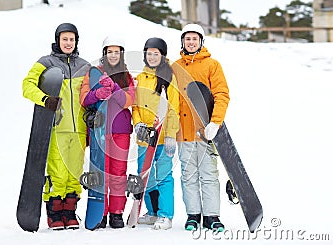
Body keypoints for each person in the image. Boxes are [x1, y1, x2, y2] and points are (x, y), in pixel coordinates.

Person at [22, 23, 90, 230]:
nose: (68, 43)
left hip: (78, 128)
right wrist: (45, 99)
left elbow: (91, 94)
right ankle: (54, 213)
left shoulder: (85, 66)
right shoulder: (45, 63)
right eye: (65, 39)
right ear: (58, 40)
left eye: (72, 39)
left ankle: (69, 212)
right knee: (58, 172)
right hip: (56, 127)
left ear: (76, 41)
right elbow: (27, 85)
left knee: (74, 173)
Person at [171, 23, 230, 232]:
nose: (191, 42)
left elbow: (222, 95)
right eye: (187, 39)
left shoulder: (212, 65)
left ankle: (212, 216)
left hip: (206, 132)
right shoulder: (175, 67)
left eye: (195, 39)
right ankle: (193, 215)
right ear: (183, 42)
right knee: (188, 175)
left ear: (201, 42)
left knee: (208, 174)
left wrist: (215, 122)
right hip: (183, 132)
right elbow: (170, 99)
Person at [80, 35, 135, 229]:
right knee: (102, 171)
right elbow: (84, 99)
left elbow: (129, 101)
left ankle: (116, 212)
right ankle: (101, 212)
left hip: (120, 131)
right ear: (104, 54)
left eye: (117, 52)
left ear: (121, 54)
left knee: (118, 173)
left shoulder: (126, 76)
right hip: (100, 130)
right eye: (110, 51)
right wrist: (97, 94)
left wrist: (115, 88)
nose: (113, 55)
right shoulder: (93, 73)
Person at [132, 37, 180, 230]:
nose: (152, 57)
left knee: (164, 176)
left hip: (161, 138)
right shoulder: (141, 78)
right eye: (149, 53)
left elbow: (173, 108)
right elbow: (135, 106)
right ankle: (152, 212)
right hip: (144, 139)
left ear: (162, 56)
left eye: (156, 54)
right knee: (145, 176)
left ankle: (165, 215)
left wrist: (170, 135)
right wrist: (137, 125)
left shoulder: (169, 77)